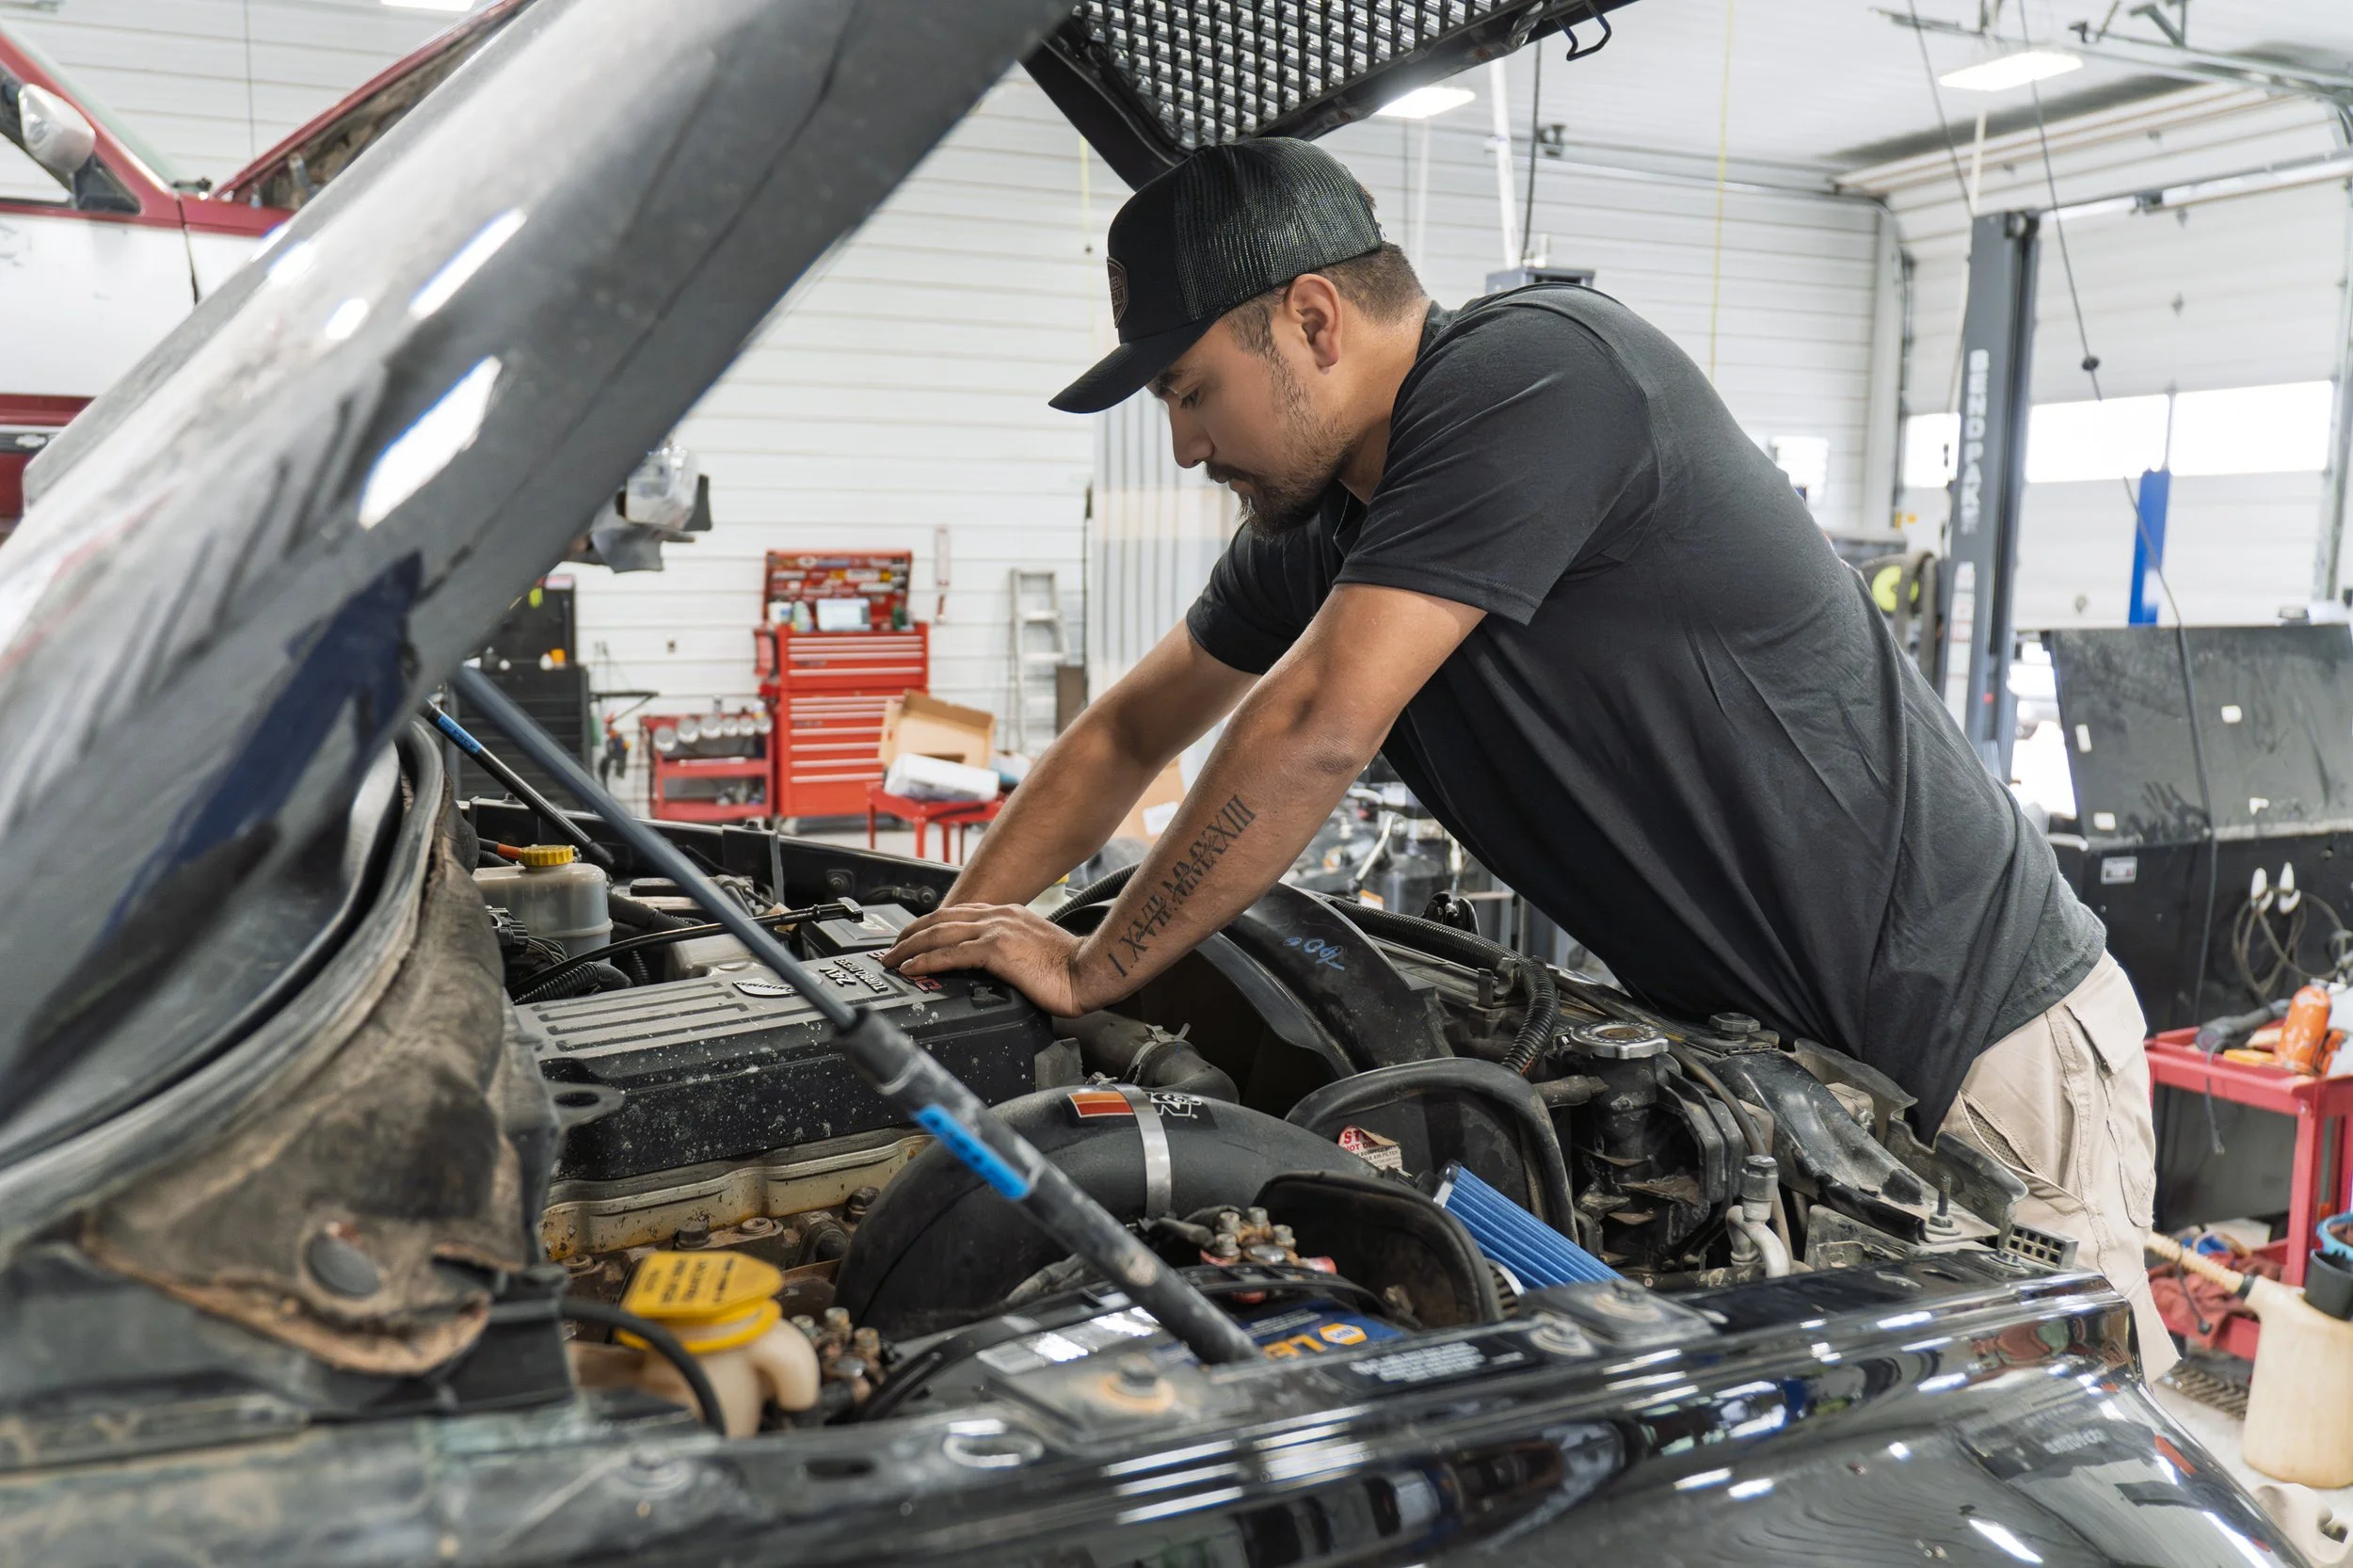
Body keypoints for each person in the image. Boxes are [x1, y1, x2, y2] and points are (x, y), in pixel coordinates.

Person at [878, 138, 2169, 1373]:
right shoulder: (1323, 526)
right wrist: (946, 948)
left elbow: (1320, 718)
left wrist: (1095, 959)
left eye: (1191, 389)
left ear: (1316, 319)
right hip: (1779, 1081)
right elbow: (1127, 730)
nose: (1185, 445)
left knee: (2063, 1467)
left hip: (1976, 1041)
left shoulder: (1537, 374)